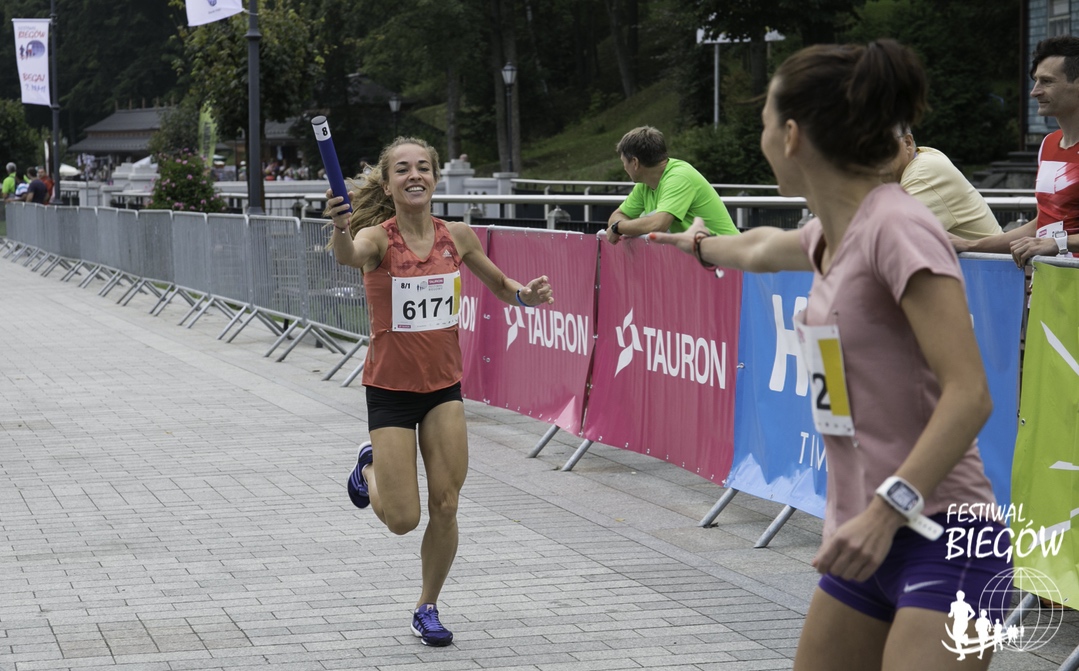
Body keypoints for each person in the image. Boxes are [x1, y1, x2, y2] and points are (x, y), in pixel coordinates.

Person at [651, 40, 1007, 670]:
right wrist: (698, 246)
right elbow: (761, 248)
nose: (762, 137)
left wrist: (886, 511)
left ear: (791, 136)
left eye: (764, 121)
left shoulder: (899, 226)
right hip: (861, 539)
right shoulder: (836, 232)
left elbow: (970, 394)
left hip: (942, 534)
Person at [326, 136, 553, 648]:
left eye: (423, 167)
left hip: (443, 388)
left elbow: (502, 286)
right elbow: (347, 256)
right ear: (389, 184)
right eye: (403, 169)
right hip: (390, 390)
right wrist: (340, 227)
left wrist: (526, 297)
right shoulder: (376, 239)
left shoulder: (458, 236)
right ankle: (368, 468)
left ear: (434, 178)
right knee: (402, 520)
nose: (415, 175)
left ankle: (426, 606)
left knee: (446, 504)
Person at [953, 35, 1079, 266]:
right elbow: (1044, 222)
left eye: (1047, 81)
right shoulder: (1048, 144)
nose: (1035, 91)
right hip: (1049, 280)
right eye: (1036, 81)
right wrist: (971, 245)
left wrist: (1059, 243)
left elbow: (1052, 240)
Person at [605, 126, 738, 244]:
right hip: (704, 256)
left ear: (635, 162)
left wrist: (618, 228)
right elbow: (617, 216)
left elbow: (658, 225)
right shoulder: (645, 184)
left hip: (727, 257)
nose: (624, 167)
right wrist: (620, 225)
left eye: (623, 162)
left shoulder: (679, 177)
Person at [889, 129, 1002, 240]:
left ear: (907, 143)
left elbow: (892, 238)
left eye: (883, 146)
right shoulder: (923, 157)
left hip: (990, 252)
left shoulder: (921, 175)